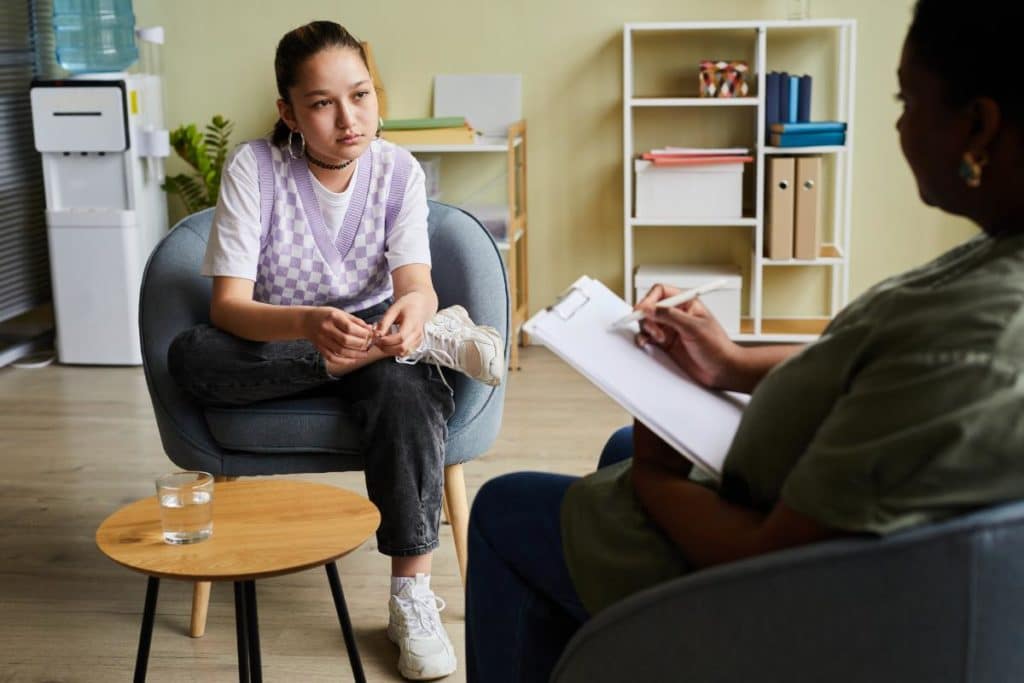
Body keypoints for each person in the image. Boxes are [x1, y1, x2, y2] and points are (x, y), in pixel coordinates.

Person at [465, 1, 1024, 680]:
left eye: (908, 98)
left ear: (980, 125)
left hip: (774, 596)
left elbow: (772, 559)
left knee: (503, 506)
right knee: (614, 448)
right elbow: (872, 369)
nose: (900, 120)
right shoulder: (999, 258)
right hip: (798, 503)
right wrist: (728, 362)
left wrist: (658, 477)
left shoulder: (977, 340)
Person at [167, 20, 502, 680]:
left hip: (374, 344)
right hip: (285, 348)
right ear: (288, 111)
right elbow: (228, 307)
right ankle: (423, 348)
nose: (349, 119)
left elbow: (417, 286)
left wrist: (415, 313)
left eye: (361, 95)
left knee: (407, 388)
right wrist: (311, 327)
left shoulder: (397, 170)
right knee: (192, 357)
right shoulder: (255, 169)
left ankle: (411, 597)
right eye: (322, 104)